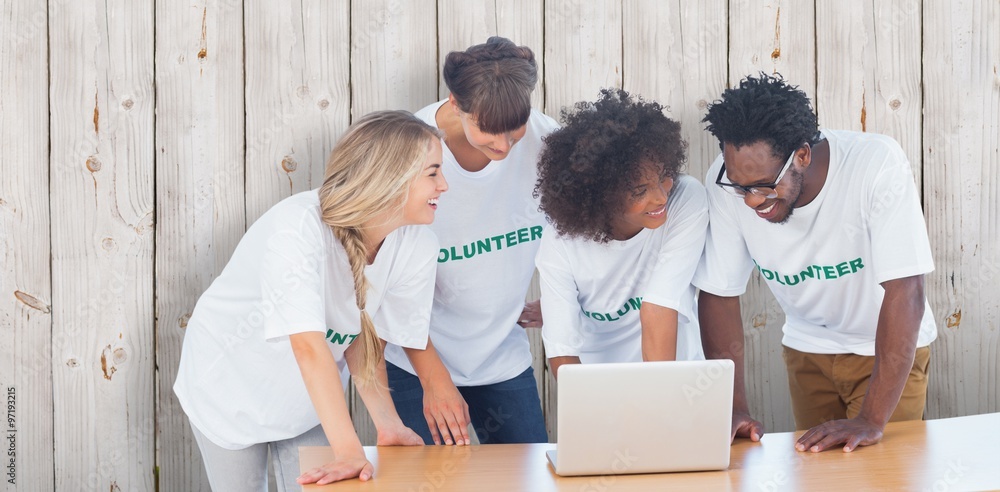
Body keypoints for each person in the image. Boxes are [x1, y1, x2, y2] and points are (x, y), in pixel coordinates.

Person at [173, 110, 448, 490]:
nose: (445, 185)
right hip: (229, 388)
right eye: (433, 172)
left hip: (304, 403)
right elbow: (308, 347)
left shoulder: (417, 244)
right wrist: (350, 450)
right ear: (390, 176)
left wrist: (388, 425)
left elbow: (361, 340)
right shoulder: (297, 228)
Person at [693, 73, 937, 453]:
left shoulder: (875, 164)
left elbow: (907, 290)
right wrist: (734, 409)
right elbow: (719, 294)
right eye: (740, 188)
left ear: (802, 155)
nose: (751, 201)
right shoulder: (726, 181)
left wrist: (871, 419)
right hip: (807, 350)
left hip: (885, 349)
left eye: (763, 186)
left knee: (883, 476)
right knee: (817, 476)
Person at [382, 36, 559, 445]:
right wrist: (435, 379)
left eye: (514, 134)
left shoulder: (546, 141)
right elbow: (383, 279)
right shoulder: (404, 153)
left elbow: (587, 226)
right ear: (456, 102)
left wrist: (566, 297)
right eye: (489, 132)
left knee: (528, 478)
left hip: (502, 357)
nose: (503, 146)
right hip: (416, 359)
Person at [532, 89, 707, 375]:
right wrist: (590, 407)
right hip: (602, 386)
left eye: (663, 177)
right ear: (601, 195)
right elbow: (561, 352)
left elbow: (658, 307)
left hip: (676, 380)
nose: (661, 197)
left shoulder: (685, 199)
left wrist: (665, 405)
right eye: (640, 191)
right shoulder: (560, 242)